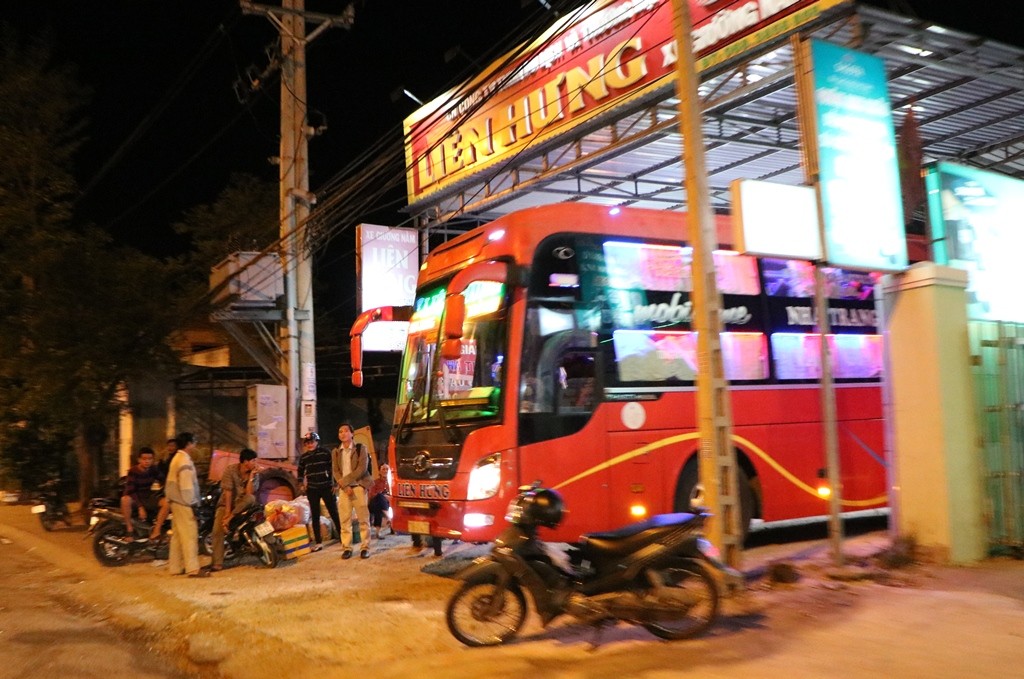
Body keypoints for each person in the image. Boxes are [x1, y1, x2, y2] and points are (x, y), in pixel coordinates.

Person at [210, 448, 261, 572]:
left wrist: (251, 477)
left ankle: (230, 520)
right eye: (253, 460)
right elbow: (228, 492)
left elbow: (249, 494)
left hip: (242, 504)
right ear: (245, 462)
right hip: (226, 504)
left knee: (251, 498)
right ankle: (217, 562)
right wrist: (227, 513)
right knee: (217, 530)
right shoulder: (230, 470)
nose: (255, 462)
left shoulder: (254, 473)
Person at [165, 432, 206, 578]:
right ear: (189, 444)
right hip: (184, 502)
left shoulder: (177, 458)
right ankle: (193, 569)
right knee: (189, 535)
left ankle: (175, 568)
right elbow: (187, 487)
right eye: (194, 442)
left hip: (175, 501)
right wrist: (193, 504)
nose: (195, 445)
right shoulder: (184, 461)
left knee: (177, 536)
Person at [332, 423, 373, 559]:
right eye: (339, 432)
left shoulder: (361, 448)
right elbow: (336, 471)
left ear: (352, 433)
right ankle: (347, 547)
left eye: (345, 431)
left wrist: (345, 482)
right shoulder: (336, 452)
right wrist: (344, 486)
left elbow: (361, 469)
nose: (342, 434)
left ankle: (365, 547)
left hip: (359, 487)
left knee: (363, 519)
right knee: (345, 520)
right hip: (344, 490)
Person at [296, 431, 342, 552]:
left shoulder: (325, 453)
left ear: (317, 442)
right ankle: (318, 542)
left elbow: (334, 468)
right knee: (315, 516)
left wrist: (335, 483)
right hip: (312, 489)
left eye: (312, 442)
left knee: (334, 513)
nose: (310, 444)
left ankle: (343, 538)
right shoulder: (304, 457)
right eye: (307, 443)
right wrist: (301, 483)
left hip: (327, 487)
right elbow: (300, 471)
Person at [120, 447, 164, 542]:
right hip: (134, 497)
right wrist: (140, 507)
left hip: (147, 496)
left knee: (167, 502)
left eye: (150, 459)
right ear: (139, 459)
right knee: (125, 499)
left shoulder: (153, 469)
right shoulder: (133, 471)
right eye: (144, 459)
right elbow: (131, 491)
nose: (147, 461)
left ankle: (156, 531)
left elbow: (163, 479)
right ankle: (129, 529)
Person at [368, 463, 393, 539]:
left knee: (379, 507)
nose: (385, 471)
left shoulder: (392, 482)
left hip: (388, 504)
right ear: (379, 471)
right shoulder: (375, 482)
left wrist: (388, 497)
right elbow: (371, 495)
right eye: (383, 469)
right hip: (374, 503)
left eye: (387, 469)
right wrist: (384, 496)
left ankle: (378, 532)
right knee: (379, 497)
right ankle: (389, 517)